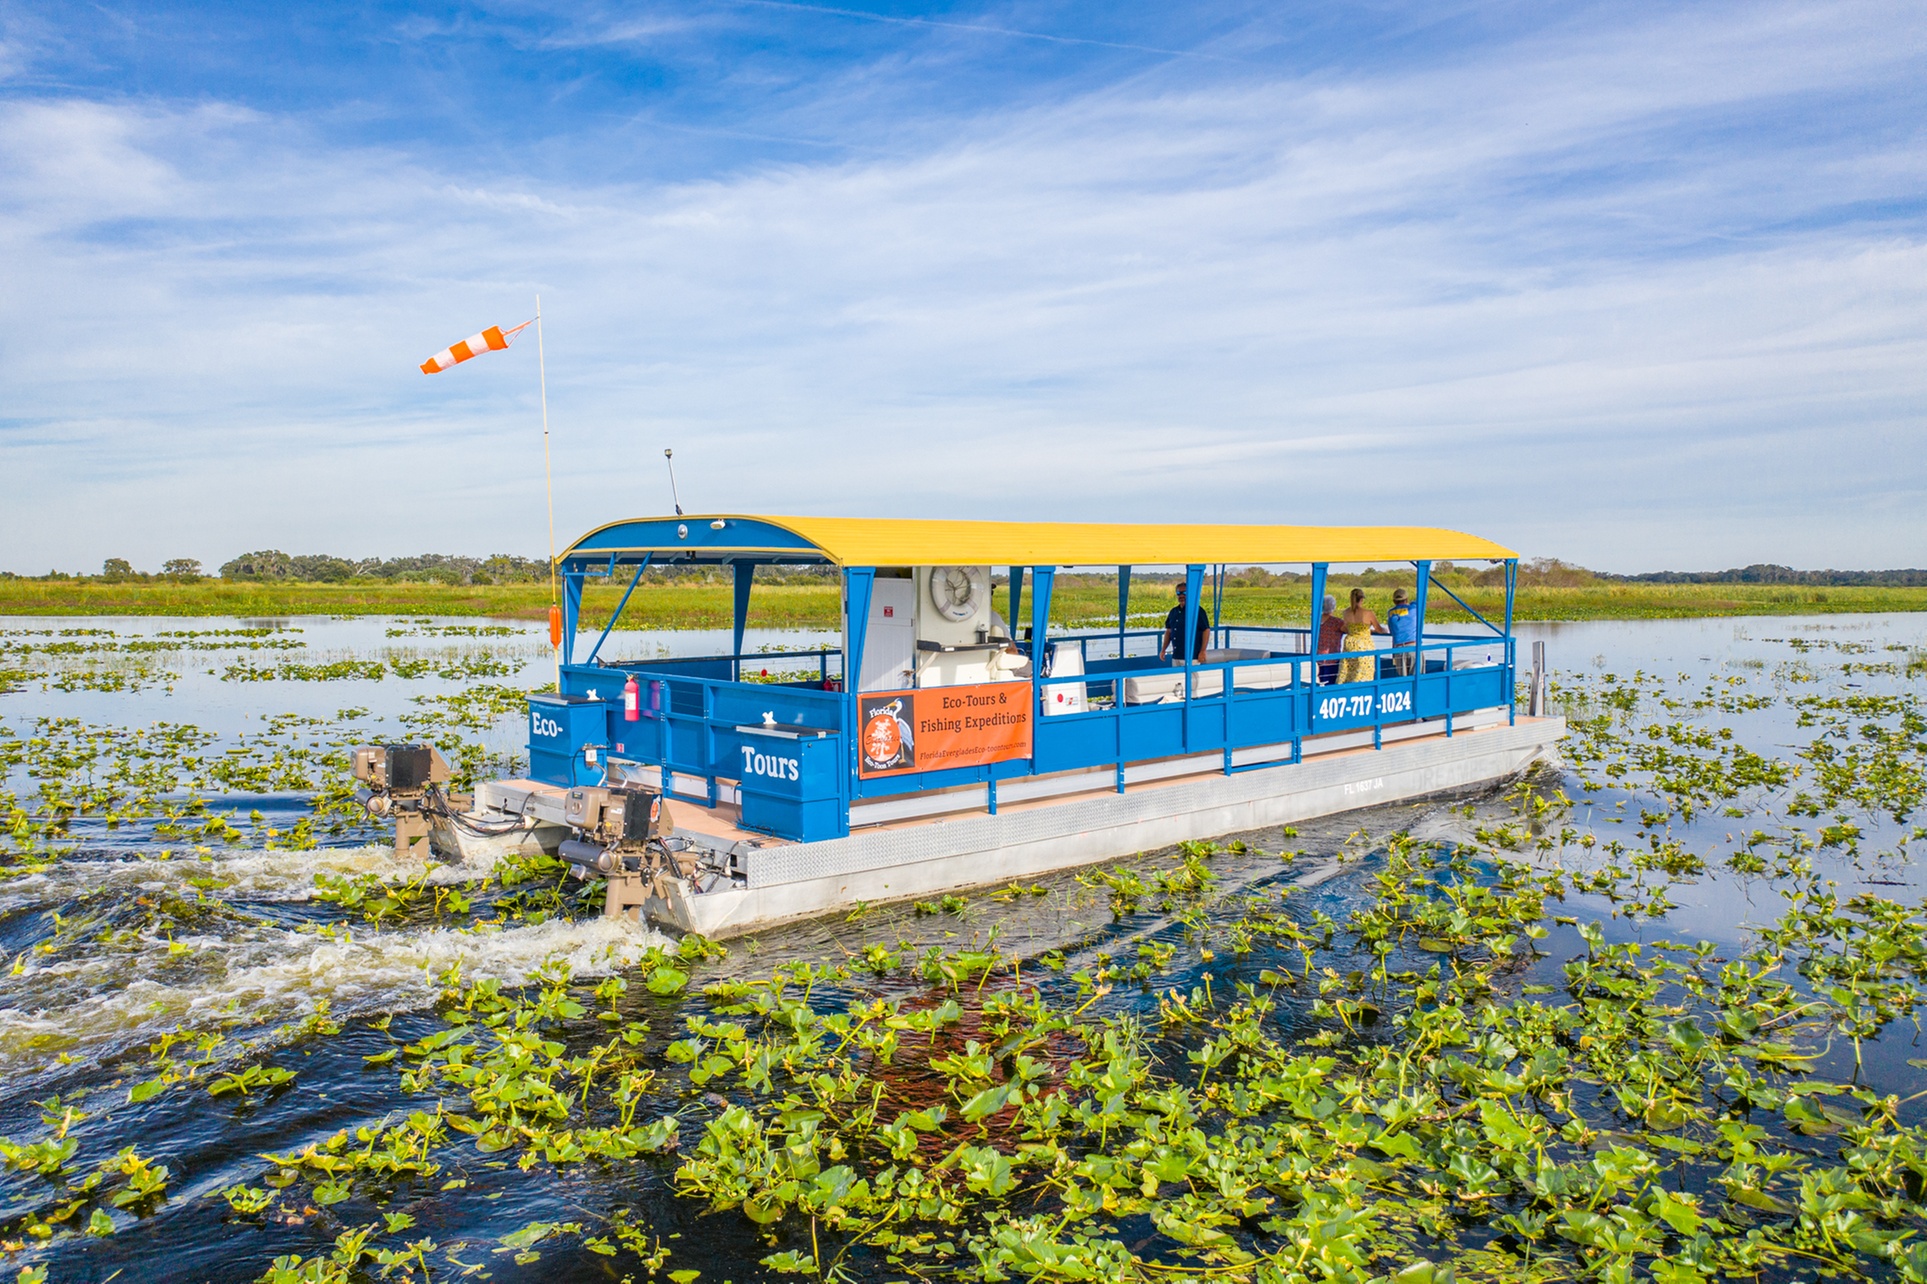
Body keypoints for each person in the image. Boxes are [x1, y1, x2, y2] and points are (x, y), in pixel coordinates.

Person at [1338, 587, 1389, 683]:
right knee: (1364, 671)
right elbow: (1379, 629)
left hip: (1349, 644)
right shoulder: (1368, 613)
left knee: (1347, 671)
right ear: (1361, 599)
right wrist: (1384, 630)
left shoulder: (1346, 612)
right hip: (1363, 645)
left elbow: (1345, 628)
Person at [1160, 582, 1209, 664]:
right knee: (1177, 676)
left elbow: (1206, 630)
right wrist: (1163, 649)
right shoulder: (1173, 612)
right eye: (1179, 593)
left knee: (1192, 677)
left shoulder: (1197, 611)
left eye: (1185, 593)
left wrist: (1203, 651)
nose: (1181, 596)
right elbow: (1169, 632)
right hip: (1176, 656)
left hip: (1192, 656)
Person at [1385, 587, 1419, 676]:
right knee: (1416, 677)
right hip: (1413, 647)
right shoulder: (1413, 609)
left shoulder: (1390, 612)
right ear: (1406, 599)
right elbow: (1419, 602)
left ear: (1394, 601)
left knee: (1402, 678)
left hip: (1398, 649)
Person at [1316, 594, 1343, 685]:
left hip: (1317, 657)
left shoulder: (1316, 620)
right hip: (1331, 659)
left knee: (1318, 682)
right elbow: (1351, 630)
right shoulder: (1337, 622)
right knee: (1330, 684)